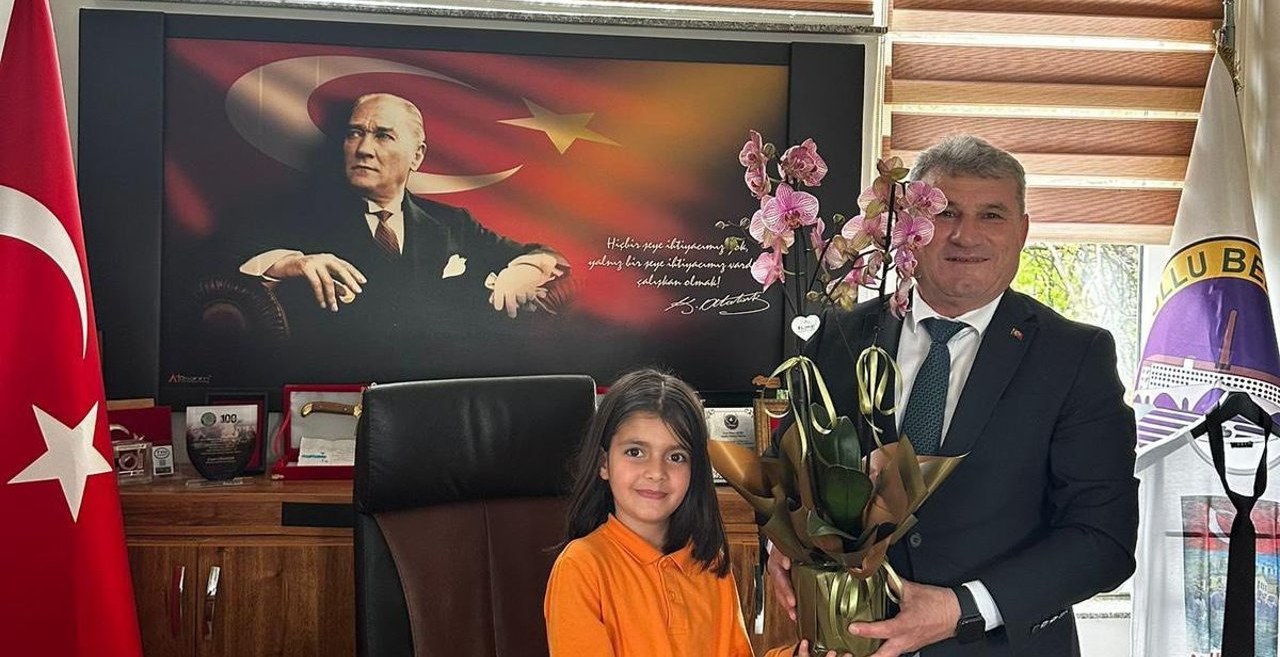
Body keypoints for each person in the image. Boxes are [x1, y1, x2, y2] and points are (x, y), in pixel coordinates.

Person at [768, 135, 1138, 656]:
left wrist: (963, 608)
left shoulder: (1076, 357)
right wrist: (779, 545)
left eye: (992, 215)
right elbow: (785, 476)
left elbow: (1104, 541)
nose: (966, 235)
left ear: (1022, 231)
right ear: (908, 225)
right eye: (945, 213)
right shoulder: (838, 336)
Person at [545, 368, 832, 657]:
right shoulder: (581, 567)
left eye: (676, 457)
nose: (656, 472)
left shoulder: (709, 563)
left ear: (695, 470)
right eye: (635, 452)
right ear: (604, 463)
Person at [238, 92, 566, 322]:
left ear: (417, 156)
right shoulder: (301, 214)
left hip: (432, 386)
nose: (363, 149)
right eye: (355, 134)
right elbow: (227, 260)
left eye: (383, 136)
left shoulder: (453, 223)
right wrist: (290, 264)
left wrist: (522, 271)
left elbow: (546, 255)